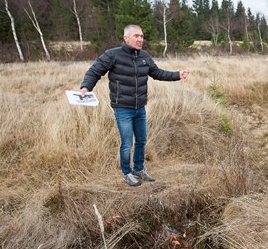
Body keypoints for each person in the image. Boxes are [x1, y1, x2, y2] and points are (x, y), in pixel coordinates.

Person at [80, 24, 190, 186]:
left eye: (142, 36)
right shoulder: (112, 55)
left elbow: (157, 73)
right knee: (127, 143)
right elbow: (95, 71)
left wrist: (177, 75)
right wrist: (85, 87)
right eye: (136, 36)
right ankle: (127, 172)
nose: (140, 39)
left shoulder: (144, 56)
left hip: (140, 107)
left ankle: (139, 169)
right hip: (122, 107)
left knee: (141, 140)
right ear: (126, 38)